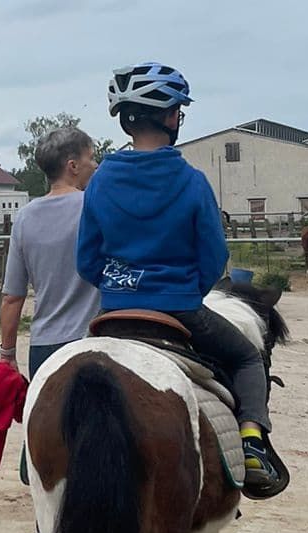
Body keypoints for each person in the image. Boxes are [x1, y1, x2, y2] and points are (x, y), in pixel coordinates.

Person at [75, 63, 283, 494]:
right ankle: (251, 445)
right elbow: (213, 258)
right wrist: (185, 289)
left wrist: (119, 285)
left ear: (127, 118)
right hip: (179, 308)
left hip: (114, 311)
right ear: (171, 117)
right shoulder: (191, 182)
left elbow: (86, 260)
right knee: (246, 358)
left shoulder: (99, 181)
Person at [0, 125, 101, 533]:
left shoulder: (25, 219)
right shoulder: (96, 208)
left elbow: (12, 297)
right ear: (73, 165)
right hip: (96, 343)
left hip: (45, 349)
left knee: (42, 458)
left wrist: (6, 355)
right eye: (93, 157)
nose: (97, 166)